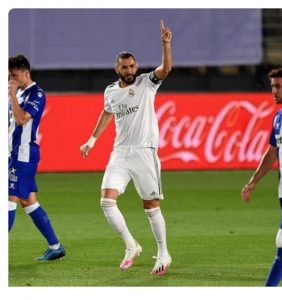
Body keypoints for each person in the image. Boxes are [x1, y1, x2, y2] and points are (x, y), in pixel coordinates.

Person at [80, 20, 172, 275]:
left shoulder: (146, 83)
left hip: (144, 151)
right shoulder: (110, 91)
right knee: (106, 202)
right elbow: (106, 114)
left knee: (151, 206)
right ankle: (131, 246)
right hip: (120, 153)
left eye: (132, 66)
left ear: (136, 66)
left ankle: (164, 252)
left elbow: (165, 69)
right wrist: (92, 139)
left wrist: (166, 44)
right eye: (124, 67)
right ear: (117, 69)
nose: (129, 70)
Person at [8, 54, 66, 261]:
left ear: (26, 72)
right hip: (12, 153)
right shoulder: (17, 92)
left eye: (14, 76)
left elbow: (22, 119)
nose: (11, 81)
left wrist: (12, 95)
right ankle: (55, 246)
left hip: (23, 154)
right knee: (28, 202)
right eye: (9, 77)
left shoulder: (36, 94)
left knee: (8, 199)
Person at [241, 67, 282, 286]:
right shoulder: (279, 118)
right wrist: (253, 181)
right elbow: (272, 152)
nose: (273, 90)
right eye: (271, 86)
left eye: (278, 85)